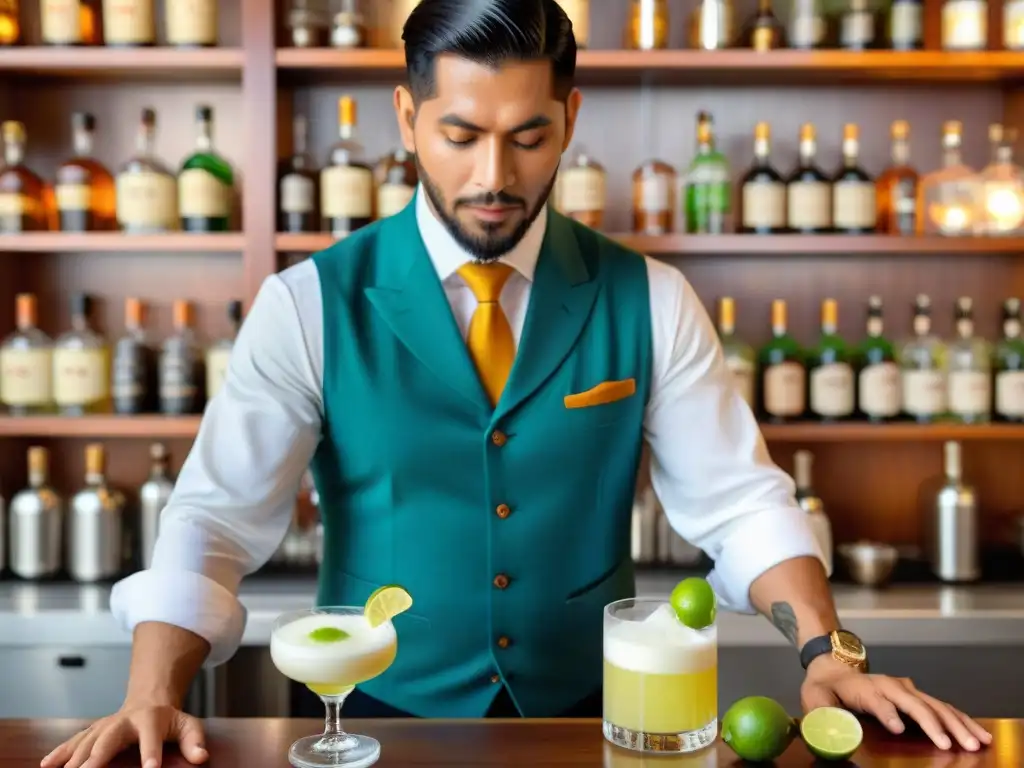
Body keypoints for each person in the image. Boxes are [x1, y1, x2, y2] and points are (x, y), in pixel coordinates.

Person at [42, 2, 991, 767]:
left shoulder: (651, 299)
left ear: (571, 120)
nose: (493, 175)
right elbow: (211, 522)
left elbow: (741, 503)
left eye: (529, 136)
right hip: (376, 726)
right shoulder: (308, 304)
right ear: (407, 119)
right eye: (459, 134)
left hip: (595, 722)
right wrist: (150, 695)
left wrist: (827, 652)